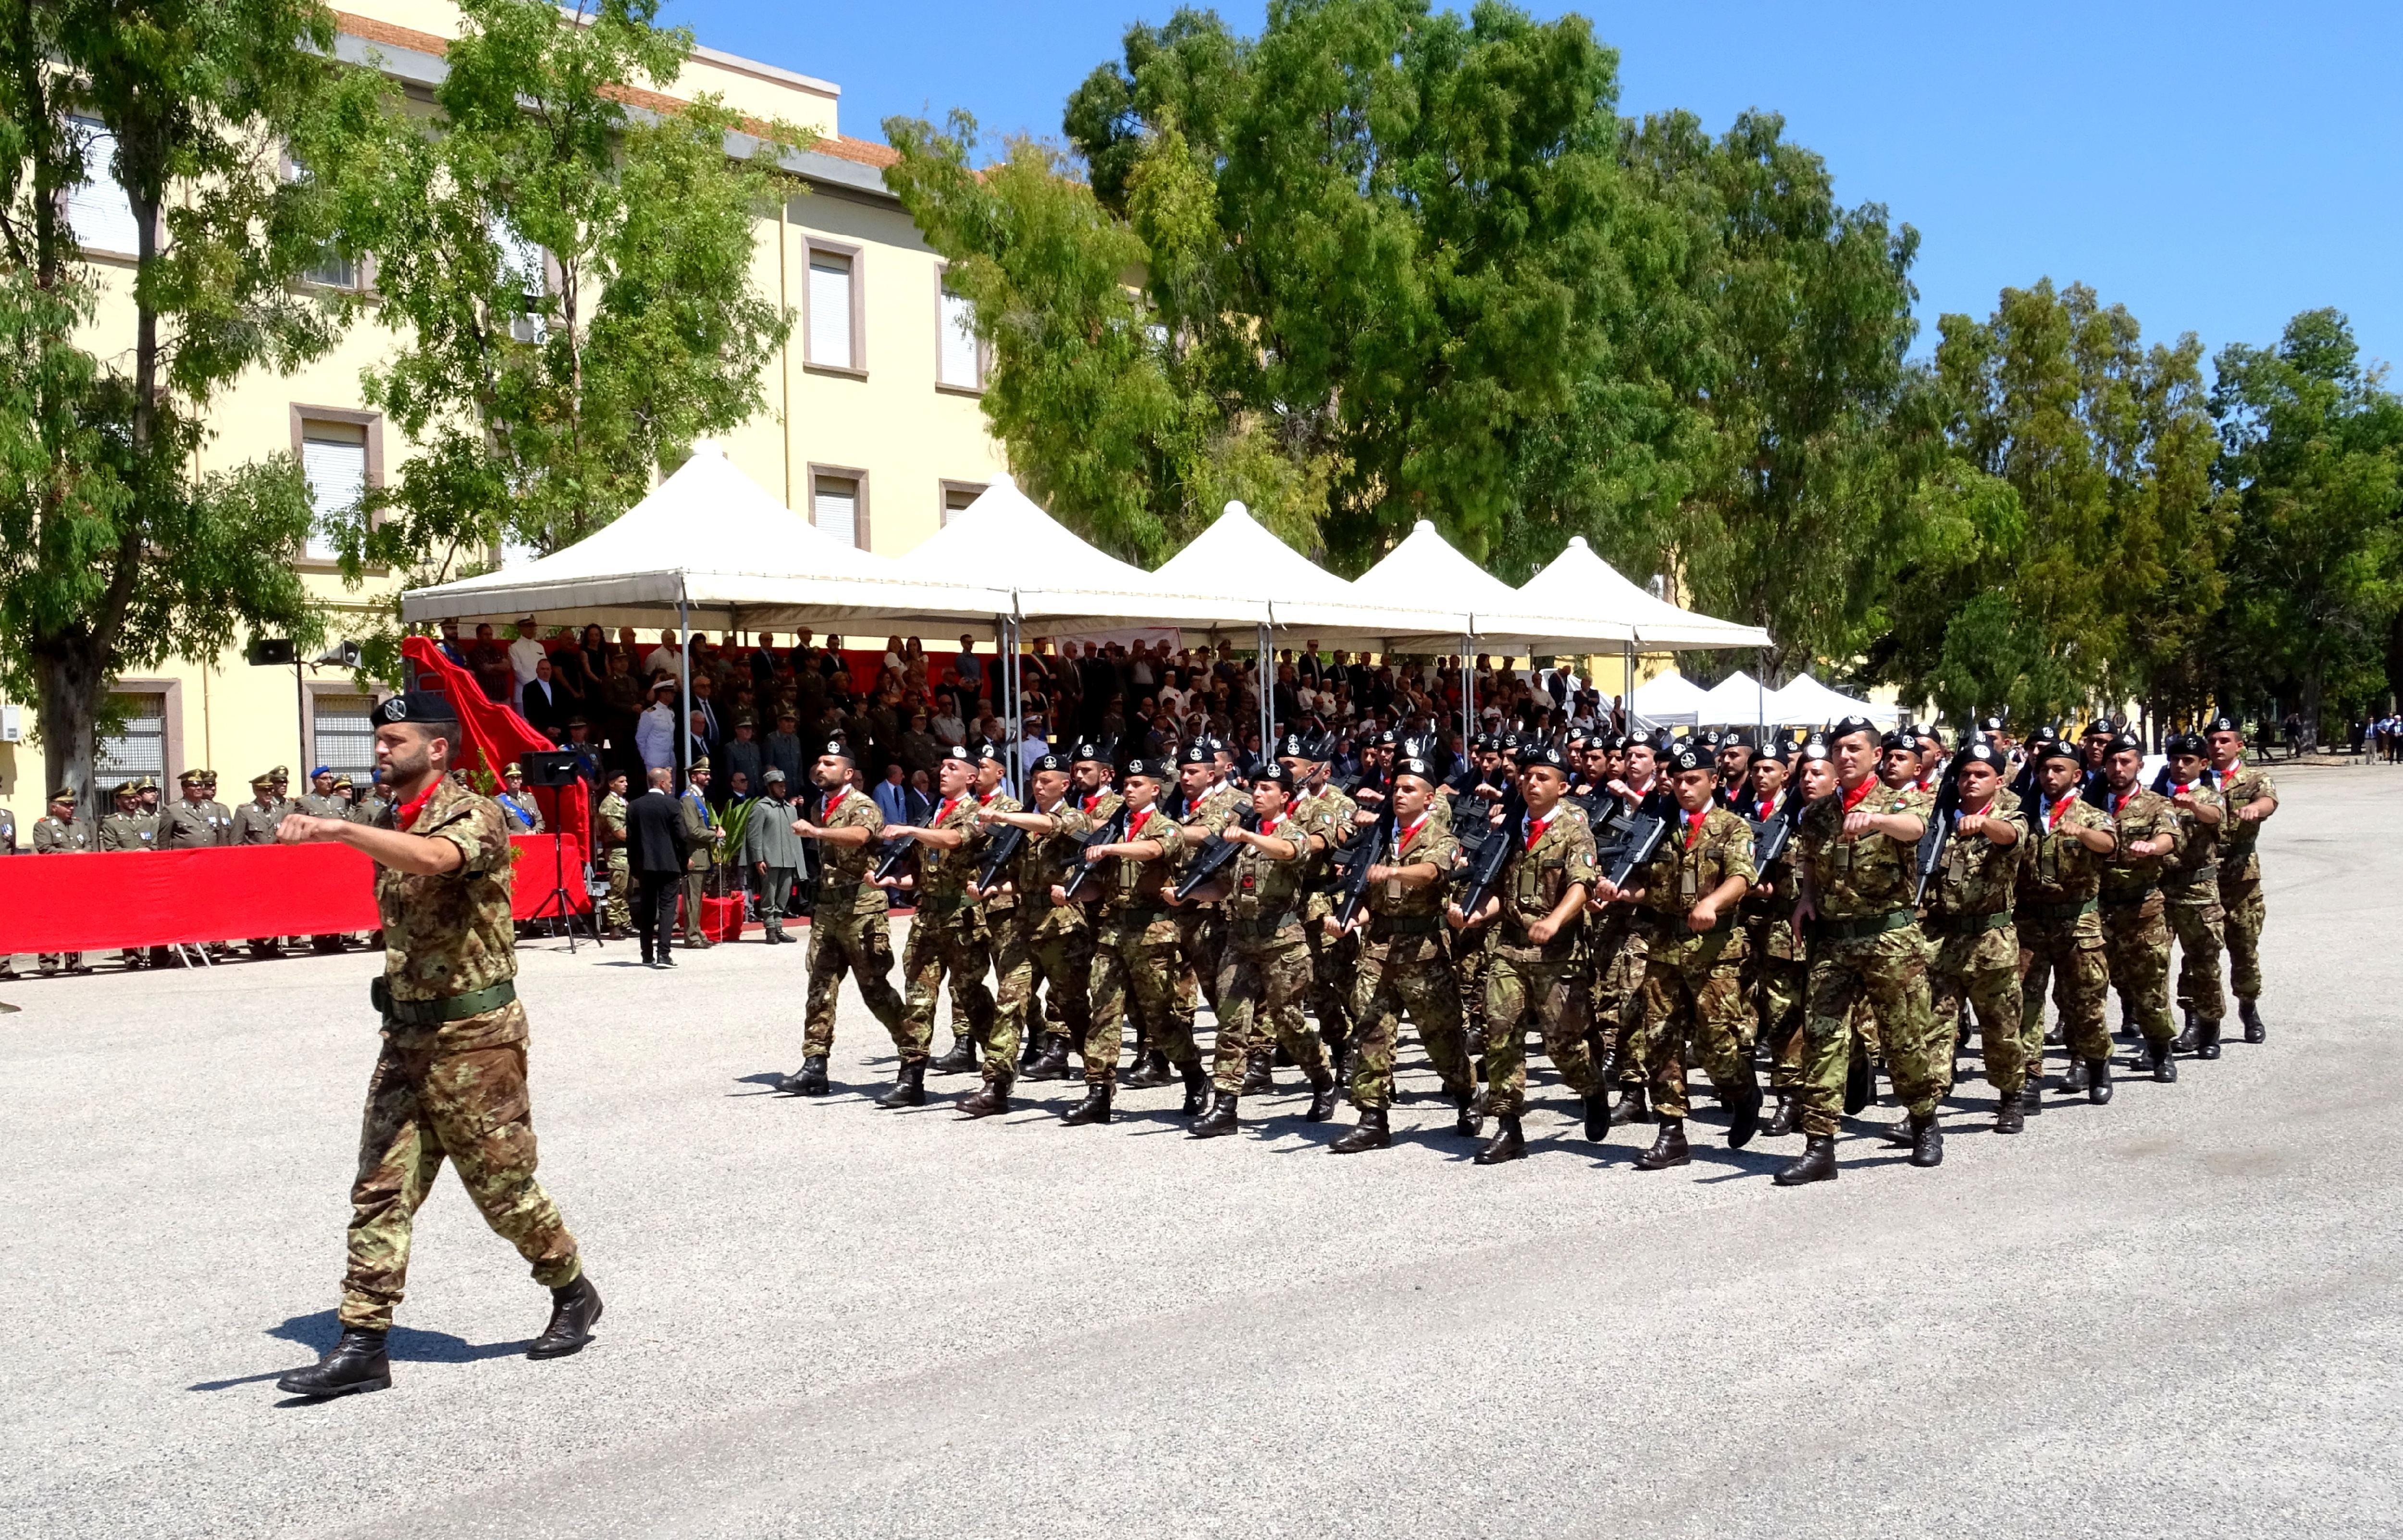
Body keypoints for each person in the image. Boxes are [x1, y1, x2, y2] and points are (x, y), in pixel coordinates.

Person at [270, 690, 598, 1400]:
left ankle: (572, 1289)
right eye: (380, 740)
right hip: (408, 1036)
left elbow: (433, 859)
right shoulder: (395, 818)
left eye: (396, 739)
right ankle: (363, 1342)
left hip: (476, 1041)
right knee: (380, 1189)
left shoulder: (473, 813)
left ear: (438, 748)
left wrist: (337, 830)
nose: (383, 750)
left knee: (503, 1191)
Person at [1779, 716, 1945, 1185]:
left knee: (1902, 1037)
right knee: (1824, 1037)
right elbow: (1809, 858)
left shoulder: (1902, 796)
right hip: (1833, 938)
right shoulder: (1816, 813)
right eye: (1837, 749)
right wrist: (1806, 898)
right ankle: (1819, 1145)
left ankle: (1923, 1119)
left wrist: (1876, 820)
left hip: (1888, 937)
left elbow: (1915, 828)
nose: (1844, 755)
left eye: (1854, 748)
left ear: (1875, 755)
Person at [1597, 743, 1761, 1170]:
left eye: (1694, 780)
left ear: (1713, 781)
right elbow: (1653, 888)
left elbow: (1743, 877)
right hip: (1665, 948)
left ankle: (1744, 1092)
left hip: (1715, 950)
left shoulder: (1732, 827)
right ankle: (1672, 1133)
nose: (1684, 787)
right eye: (1679, 780)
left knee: (1717, 1045)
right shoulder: (1659, 827)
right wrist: (1619, 892)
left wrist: (1713, 903)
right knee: (1661, 1039)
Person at [1449, 742, 1606, 1165]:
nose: (1532, 783)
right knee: (1500, 1034)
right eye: (1527, 776)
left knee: (1563, 1044)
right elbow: (1502, 893)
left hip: (1558, 951)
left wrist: (1555, 920)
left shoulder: (1575, 830)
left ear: (1563, 786)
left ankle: (1592, 1089)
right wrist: (1475, 915)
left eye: (1542, 778)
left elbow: (1582, 884)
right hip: (1512, 947)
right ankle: (1509, 1127)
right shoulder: (1511, 830)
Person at [1181, 763, 1340, 1136]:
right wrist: (1187, 894)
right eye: (1255, 787)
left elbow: (1288, 851)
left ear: (1284, 797)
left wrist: (1249, 838)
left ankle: (1323, 1081)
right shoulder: (1239, 838)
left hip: (1282, 944)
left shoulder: (1292, 834)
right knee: (1232, 1022)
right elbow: (1222, 889)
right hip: (1240, 943)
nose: (1257, 794)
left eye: (1266, 788)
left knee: (1288, 1022)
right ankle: (1225, 1106)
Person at [1330, 752, 1467, 1153]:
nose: (1400, 795)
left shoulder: (1441, 839)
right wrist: (1351, 919)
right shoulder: (1379, 841)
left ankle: (1465, 1094)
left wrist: (1395, 872)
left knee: (1442, 1039)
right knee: (1371, 1030)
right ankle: (1373, 1118)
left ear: (1429, 799)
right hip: (1378, 950)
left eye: (1410, 789)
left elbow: (1432, 873)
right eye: (1397, 788)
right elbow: (1371, 897)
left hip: (1424, 953)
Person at [1060, 756, 1207, 1125]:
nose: (1129, 789)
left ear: (1155, 789)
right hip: (1113, 931)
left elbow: (1154, 850)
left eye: (1137, 784)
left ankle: (1194, 1075)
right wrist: (1075, 892)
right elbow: (1100, 888)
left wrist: (1112, 848)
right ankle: (1099, 1091)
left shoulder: (1167, 827)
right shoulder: (1113, 829)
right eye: (1126, 783)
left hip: (1152, 933)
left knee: (1160, 1017)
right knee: (1104, 1012)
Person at [778, 742, 910, 1095]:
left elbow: (861, 836)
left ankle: (913, 1055)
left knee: (875, 990)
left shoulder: (862, 805)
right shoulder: (822, 805)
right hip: (827, 910)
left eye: (829, 763)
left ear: (848, 773)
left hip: (861, 909)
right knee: (820, 988)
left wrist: (818, 832)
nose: (820, 768)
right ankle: (815, 1064)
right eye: (818, 762)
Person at [1914, 740, 2029, 1133]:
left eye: (1981, 774)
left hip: (1989, 941)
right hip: (1941, 940)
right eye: (1965, 774)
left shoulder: (2011, 814)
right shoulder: (1939, 818)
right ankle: (1925, 1110)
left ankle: (2012, 1095)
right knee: (1933, 1028)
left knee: (2000, 1028)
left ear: (1998, 780)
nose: (1971, 781)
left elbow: (2011, 837)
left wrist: (1982, 823)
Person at [876, 745, 998, 1102]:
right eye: (942, 767)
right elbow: (922, 873)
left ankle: (998, 1071)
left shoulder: (978, 812)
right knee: (919, 999)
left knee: (972, 997)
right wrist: (895, 883)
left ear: (971, 777)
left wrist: (910, 829)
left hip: (963, 920)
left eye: (952, 767)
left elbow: (954, 840)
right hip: (928, 919)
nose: (943, 772)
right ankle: (910, 1078)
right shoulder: (932, 814)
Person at [2012, 739, 2121, 1116]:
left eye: (2058, 769)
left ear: (2076, 774)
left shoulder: (2090, 813)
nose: (2050, 776)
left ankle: (2096, 1064)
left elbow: (2109, 844)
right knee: (2025, 1001)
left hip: (2078, 923)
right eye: (2044, 769)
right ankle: (2029, 1078)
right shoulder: (2024, 813)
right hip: (2031, 922)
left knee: (2086, 1002)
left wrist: (2081, 833)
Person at [2094, 732, 2180, 1084]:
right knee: (2095, 986)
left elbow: (2170, 837)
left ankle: (2161, 1050)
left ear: (2140, 765)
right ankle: (2089, 1058)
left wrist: (2153, 846)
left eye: (2126, 761)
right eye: (2112, 761)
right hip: (2099, 911)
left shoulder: (2157, 804)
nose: (2118, 768)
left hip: (2143, 908)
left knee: (2151, 985)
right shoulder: (2091, 804)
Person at [2202, 713, 2277, 1042]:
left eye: (2224, 741)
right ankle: (2201, 1020)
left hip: (2242, 882)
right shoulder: (2197, 780)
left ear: (2239, 745)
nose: (2218, 746)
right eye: (2213, 741)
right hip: (2202, 883)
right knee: (2201, 954)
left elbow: (2269, 800)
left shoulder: (2254, 778)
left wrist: (2256, 809)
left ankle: (2249, 1007)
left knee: (2244, 951)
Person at [2156, 733, 2229, 1059]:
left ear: (2203, 764)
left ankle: (2208, 1027)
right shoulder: (2155, 797)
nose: (2180, 766)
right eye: (2175, 760)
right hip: (2161, 891)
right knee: (2154, 964)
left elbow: (2215, 816)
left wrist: (2194, 806)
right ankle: (2166, 1033)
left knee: (2203, 963)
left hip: (2199, 892)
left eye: (2188, 761)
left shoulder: (2209, 796)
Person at [626, 767, 692, 966]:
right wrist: (685, 860)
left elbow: (631, 841)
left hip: (646, 865)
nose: (672, 786)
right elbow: (681, 837)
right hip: (669, 864)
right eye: (670, 782)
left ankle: (646, 954)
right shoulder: (672, 805)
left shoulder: (635, 807)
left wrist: (635, 868)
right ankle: (664, 952)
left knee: (647, 908)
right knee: (667, 909)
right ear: (662, 783)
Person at [744, 767, 807, 945]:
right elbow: (754, 836)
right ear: (770, 787)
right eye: (779, 786)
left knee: (783, 896)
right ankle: (770, 928)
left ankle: (778, 926)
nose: (783, 789)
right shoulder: (761, 808)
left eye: (784, 785)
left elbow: (795, 836)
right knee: (768, 896)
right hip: (770, 860)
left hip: (787, 859)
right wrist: (758, 859)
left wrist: (797, 860)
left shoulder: (790, 809)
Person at [678, 761, 721, 949]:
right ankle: (692, 935)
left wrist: (713, 828)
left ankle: (697, 930)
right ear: (694, 777)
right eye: (704, 774)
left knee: (697, 899)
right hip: (694, 855)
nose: (708, 777)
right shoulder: (688, 799)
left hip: (702, 855)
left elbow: (699, 826)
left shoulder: (699, 798)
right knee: (692, 899)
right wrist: (714, 835)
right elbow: (692, 830)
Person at [594, 769, 632, 940]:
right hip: (618, 852)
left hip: (628, 851)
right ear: (612, 784)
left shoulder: (623, 802)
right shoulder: (609, 804)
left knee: (627, 889)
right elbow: (620, 833)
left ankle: (625, 922)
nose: (626, 785)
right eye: (621, 782)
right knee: (617, 890)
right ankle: (614, 925)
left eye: (625, 781)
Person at [507, 617, 547, 709]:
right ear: (521, 628)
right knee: (524, 722)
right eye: (528, 626)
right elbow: (518, 672)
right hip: (524, 693)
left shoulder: (539, 647)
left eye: (533, 627)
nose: (531, 629)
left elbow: (546, 668)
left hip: (541, 692)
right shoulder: (514, 648)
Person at [495, 764, 545, 833]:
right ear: (506, 781)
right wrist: (520, 836)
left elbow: (540, 822)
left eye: (519, 778)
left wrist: (535, 831)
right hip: (515, 842)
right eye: (512, 778)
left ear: (521, 780)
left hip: (533, 839)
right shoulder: (500, 801)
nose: (516, 781)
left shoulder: (530, 799)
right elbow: (500, 828)